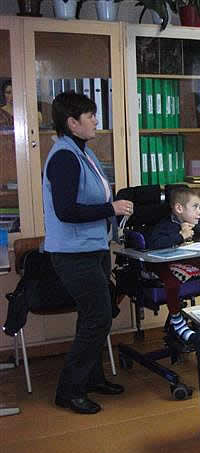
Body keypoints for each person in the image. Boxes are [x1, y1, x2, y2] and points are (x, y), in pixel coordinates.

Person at [43, 91, 132, 414]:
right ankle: (69, 390)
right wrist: (110, 207)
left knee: (97, 315)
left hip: (93, 247)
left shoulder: (83, 152)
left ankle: (91, 378)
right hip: (72, 253)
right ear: (72, 122)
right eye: (90, 116)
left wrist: (112, 209)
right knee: (97, 317)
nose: (96, 120)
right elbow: (66, 210)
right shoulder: (64, 157)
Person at [147, 185, 200, 343]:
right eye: (195, 207)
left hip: (181, 260)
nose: (199, 212)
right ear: (179, 208)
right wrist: (181, 235)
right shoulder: (164, 225)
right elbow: (154, 244)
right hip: (162, 264)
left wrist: (196, 227)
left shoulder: (194, 222)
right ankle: (176, 319)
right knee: (172, 282)